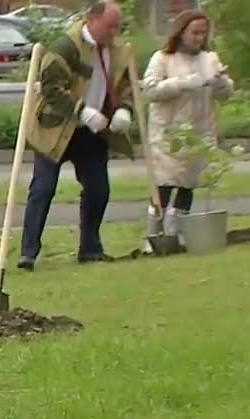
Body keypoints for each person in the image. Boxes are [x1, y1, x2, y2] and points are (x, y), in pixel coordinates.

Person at [17, 0, 134, 271]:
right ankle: (28, 253)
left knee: (98, 189)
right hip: (56, 128)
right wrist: (83, 111)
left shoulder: (115, 51)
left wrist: (124, 110)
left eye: (118, 26)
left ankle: (90, 249)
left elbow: (124, 85)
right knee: (43, 189)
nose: (114, 32)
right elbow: (51, 88)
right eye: (110, 26)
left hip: (91, 133)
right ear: (92, 19)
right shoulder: (65, 47)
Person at [139, 9, 236, 251]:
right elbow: (150, 90)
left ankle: (177, 233)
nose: (198, 38)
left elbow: (224, 95)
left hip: (198, 133)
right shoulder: (162, 58)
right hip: (168, 134)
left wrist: (222, 84)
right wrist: (182, 83)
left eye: (203, 33)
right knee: (163, 184)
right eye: (194, 32)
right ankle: (154, 236)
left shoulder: (209, 58)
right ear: (181, 32)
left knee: (187, 184)